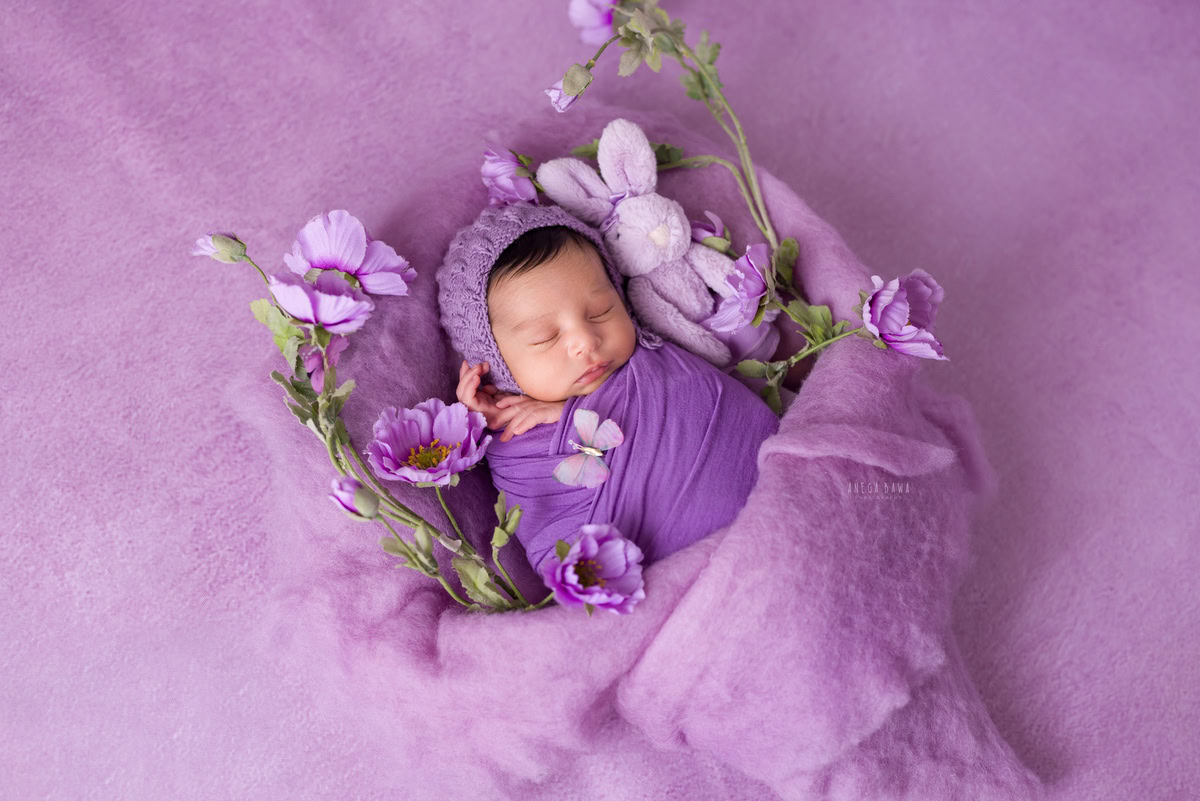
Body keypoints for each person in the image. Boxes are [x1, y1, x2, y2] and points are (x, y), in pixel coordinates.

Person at [437, 202, 781, 572]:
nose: (586, 340)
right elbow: (562, 552)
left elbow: (714, 409)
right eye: (545, 337)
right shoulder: (518, 446)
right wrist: (484, 421)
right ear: (496, 364)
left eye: (601, 310)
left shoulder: (657, 367)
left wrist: (572, 413)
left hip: (779, 500)